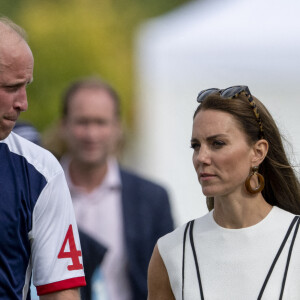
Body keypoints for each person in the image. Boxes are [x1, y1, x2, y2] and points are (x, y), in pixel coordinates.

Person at [148, 85, 300, 299]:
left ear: (258, 152)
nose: (201, 157)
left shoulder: (296, 239)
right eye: (196, 145)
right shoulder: (171, 250)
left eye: (217, 143)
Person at [59, 77, 174, 300]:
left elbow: (169, 281)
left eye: (100, 122)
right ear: (64, 125)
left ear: (117, 127)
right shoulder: (35, 190)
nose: (91, 134)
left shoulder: (152, 199)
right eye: (82, 122)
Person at [0, 16, 85, 299]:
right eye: (11, 87)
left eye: (26, 86)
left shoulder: (41, 171)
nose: (23, 103)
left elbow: (62, 292)